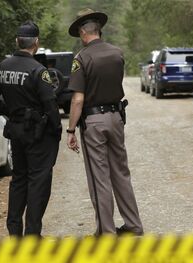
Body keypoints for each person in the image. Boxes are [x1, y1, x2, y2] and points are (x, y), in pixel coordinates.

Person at [65, 8, 144, 235]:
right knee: (121, 173)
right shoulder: (117, 53)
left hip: (94, 122)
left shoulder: (81, 59)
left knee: (99, 177)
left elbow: (78, 99)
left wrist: (70, 129)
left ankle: (106, 232)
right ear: (98, 30)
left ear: (82, 33)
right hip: (116, 118)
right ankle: (133, 225)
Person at [0, 21, 61, 237]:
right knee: (38, 182)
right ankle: (33, 235)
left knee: (19, 180)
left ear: (17, 41)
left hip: (16, 131)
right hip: (38, 133)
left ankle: (14, 231)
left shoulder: (3, 67)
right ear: (36, 43)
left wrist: (9, 111)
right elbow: (50, 105)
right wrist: (57, 132)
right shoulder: (38, 70)